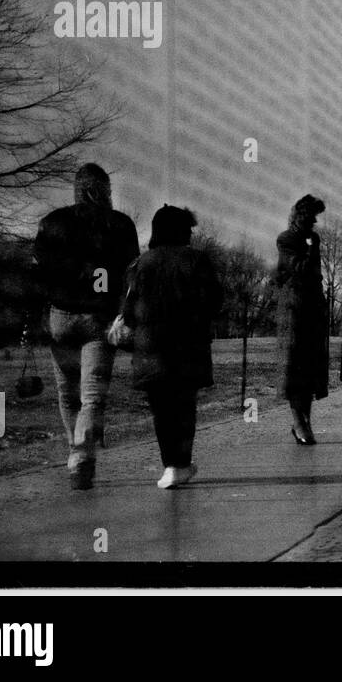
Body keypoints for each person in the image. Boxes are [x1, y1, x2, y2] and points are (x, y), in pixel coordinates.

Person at [34, 163, 140, 490]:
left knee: (67, 393)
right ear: (105, 190)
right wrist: (125, 313)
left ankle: (76, 454)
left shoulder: (51, 223)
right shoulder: (120, 225)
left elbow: (39, 272)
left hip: (59, 316)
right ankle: (81, 454)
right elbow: (131, 275)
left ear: (77, 188)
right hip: (99, 317)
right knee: (92, 394)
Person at [122, 206, 222, 488]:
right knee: (184, 407)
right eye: (188, 229)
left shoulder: (139, 265)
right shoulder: (197, 260)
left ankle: (169, 466)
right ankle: (181, 463)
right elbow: (215, 301)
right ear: (180, 231)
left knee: (162, 410)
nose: (191, 234)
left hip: (150, 352)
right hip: (187, 350)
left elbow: (128, 312)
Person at [274, 195, 328, 445]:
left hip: (312, 308)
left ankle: (305, 421)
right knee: (295, 367)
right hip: (294, 310)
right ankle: (299, 422)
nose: (315, 222)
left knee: (309, 367)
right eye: (312, 216)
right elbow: (299, 268)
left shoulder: (312, 238)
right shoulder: (286, 239)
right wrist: (310, 248)